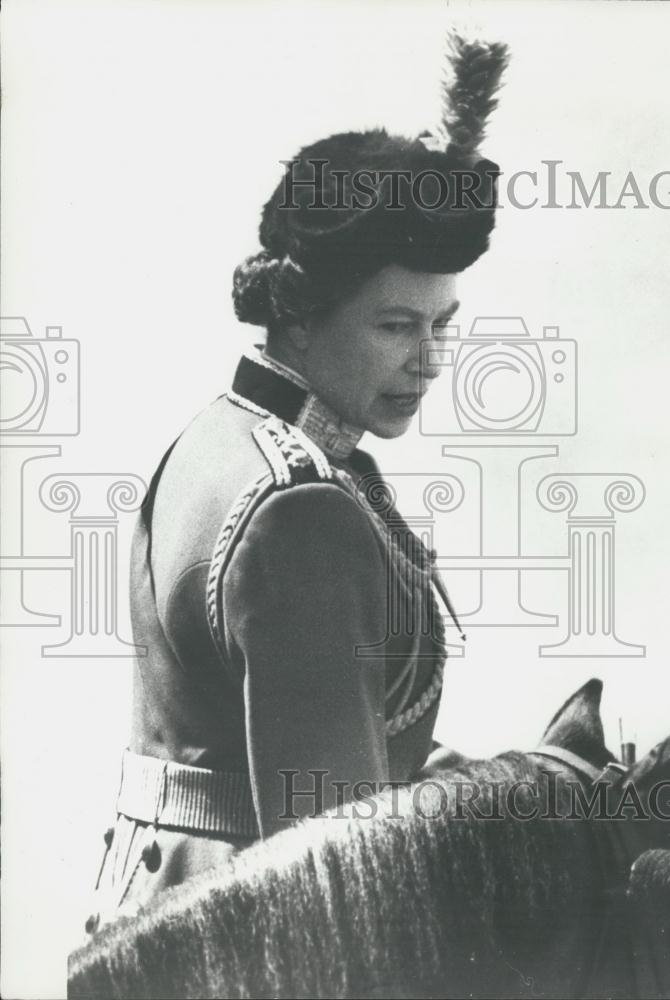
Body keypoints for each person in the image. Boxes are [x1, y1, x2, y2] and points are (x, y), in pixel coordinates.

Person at [84, 32, 509, 934]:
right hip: (249, 947)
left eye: (444, 324)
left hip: (163, 913)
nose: (430, 361)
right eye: (397, 325)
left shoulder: (221, 438)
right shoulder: (299, 510)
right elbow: (338, 868)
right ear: (298, 315)